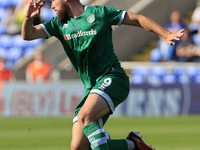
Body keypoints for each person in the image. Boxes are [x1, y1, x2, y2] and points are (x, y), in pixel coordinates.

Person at [21, 0, 184, 150]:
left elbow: (137, 18)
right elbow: (28, 35)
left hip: (113, 78)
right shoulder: (58, 23)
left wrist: (165, 33)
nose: (52, 6)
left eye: (54, 1)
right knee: (78, 146)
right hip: (92, 88)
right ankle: (133, 144)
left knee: (85, 117)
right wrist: (28, 17)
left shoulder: (100, 13)